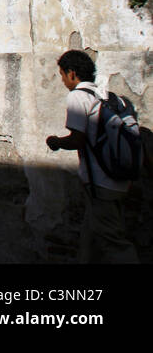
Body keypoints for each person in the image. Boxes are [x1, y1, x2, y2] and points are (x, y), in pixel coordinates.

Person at [45, 50, 139, 263]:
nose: (62, 81)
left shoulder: (78, 96)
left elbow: (77, 139)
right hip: (118, 180)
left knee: (114, 243)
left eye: (61, 75)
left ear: (71, 73)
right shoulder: (110, 97)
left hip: (100, 183)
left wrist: (56, 142)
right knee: (90, 238)